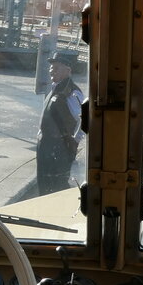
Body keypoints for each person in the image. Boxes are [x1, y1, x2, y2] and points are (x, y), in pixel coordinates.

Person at [37, 48, 85, 195]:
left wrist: (75, 140)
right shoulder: (56, 88)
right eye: (51, 67)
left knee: (57, 188)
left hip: (59, 148)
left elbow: (84, 120)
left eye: (56, 67)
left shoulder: (72, 92)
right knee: (44, 184)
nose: (51, 71)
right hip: (46, 146)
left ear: (68, 70)